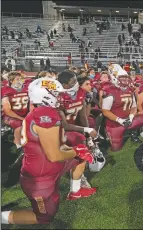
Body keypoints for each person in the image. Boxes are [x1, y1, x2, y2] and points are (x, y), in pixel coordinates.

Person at [1, 78, 96, 225]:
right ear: (46, 96)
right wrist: (77, 150)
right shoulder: (45, 115)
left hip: (48, 167)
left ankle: (76, 191)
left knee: (80, 157)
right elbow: (54, 155)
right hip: (40, 178)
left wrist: (76, 150)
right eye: (56, 94)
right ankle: (3, 218)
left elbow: (57, 146)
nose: (61, 97)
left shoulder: (43, 112)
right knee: (44, 217)